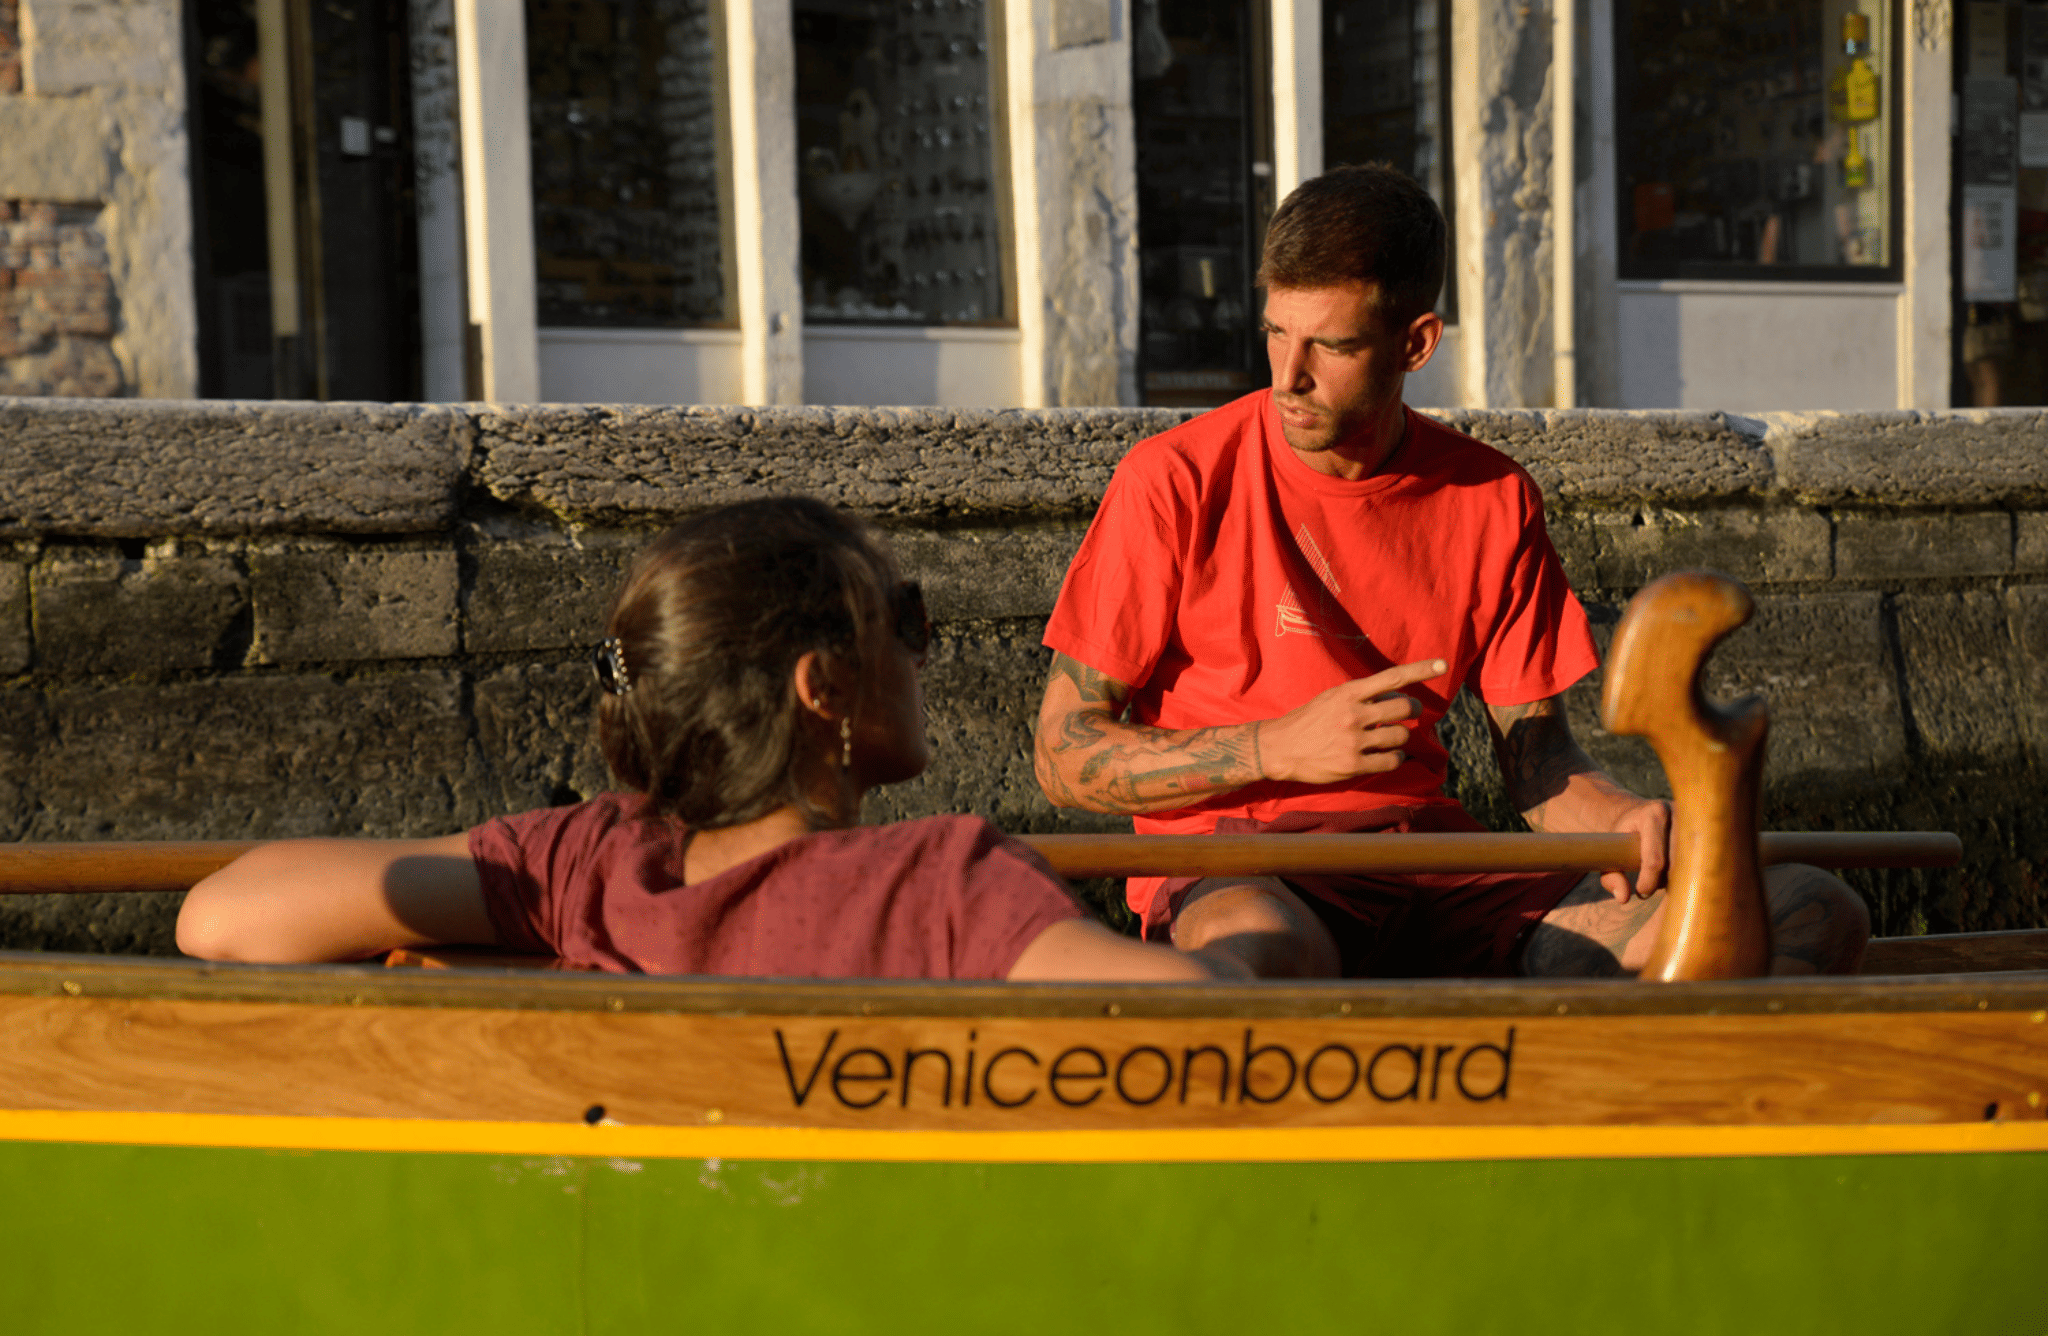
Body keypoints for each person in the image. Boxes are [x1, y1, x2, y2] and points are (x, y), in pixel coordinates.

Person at [1033, 164, 1869, 980]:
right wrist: (1273, 747)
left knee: (1808, 912)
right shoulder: (1173, 478)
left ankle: (1606, 1106)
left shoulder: (1492, 497)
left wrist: (1622, 815)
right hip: (1246, 871)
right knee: (1264, 954)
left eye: (1331, 345)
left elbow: (1539, 768)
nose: (1288, 376)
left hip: (1436, 867)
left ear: (1417, 342)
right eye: (1277, 333)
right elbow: (1061, 755)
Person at [179, 498, 1236, 982]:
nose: (921, 655)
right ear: (821, 687)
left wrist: (507, 954)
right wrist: (1242, 934)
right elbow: (1194, 1026)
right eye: (900, 622)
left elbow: (220, 917)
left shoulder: (588, 864)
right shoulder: (946, 884)